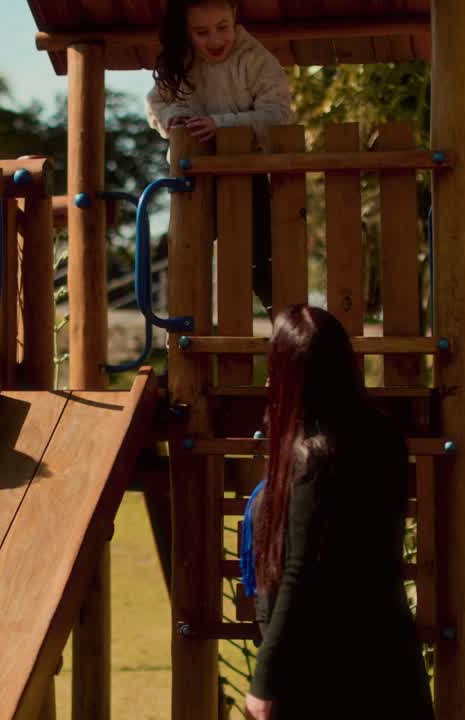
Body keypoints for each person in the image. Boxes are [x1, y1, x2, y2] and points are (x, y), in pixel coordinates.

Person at [245, 305, 434, 719]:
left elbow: (298, 573)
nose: (268, 380)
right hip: (389, 654)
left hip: (324, 669)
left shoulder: (311, 459)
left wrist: (264, 683)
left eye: (274, 366)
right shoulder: (384, 437)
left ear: (292, 375)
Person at [145, 0, 295, 313]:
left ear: (234, 18)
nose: (214, 41)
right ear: (186, 31)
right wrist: (172, 115)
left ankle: (286, 332)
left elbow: (278, 114)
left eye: (222, 28)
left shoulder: (254, 59)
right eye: (201, 32)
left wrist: (222, 125)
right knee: (187, 260)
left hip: (246, 173)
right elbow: (156, 104)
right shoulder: (180, 61)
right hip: (192, 177)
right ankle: (179, 347)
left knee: (258, 264)